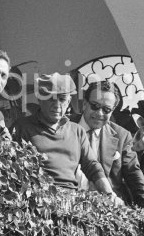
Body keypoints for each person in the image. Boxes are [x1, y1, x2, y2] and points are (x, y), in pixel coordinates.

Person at [11, 73, 121, 204]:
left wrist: (109, 194)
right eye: (51, 98)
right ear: (39, 98)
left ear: (69, 101)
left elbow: (92, 166)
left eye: (62, 99)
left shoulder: (77, 131)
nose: (57, 105)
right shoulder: (22, 127)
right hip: (36, 199)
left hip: (70, 201)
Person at [71, 81, 144, 210]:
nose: (100, 113)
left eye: (106, 109)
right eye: (95, 106)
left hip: (108, 208)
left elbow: (134, 174)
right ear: (84, 104)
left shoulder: (122, 136)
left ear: (112, 111)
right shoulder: (65, 127)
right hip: (68, 201)